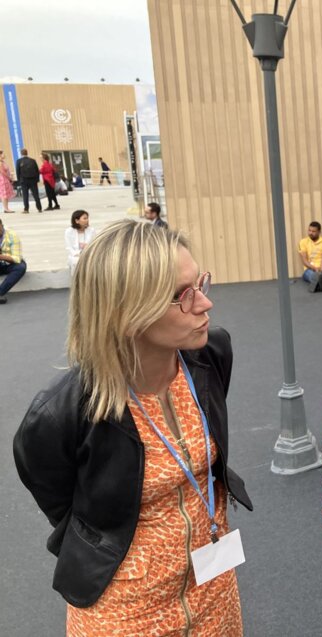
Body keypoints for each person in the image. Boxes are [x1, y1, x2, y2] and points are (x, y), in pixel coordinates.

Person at [14, 219, 253, 635]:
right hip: (125, 607)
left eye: (201, 284)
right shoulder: (62, 413)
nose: (204, 305)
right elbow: (58, 500)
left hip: (213, 586)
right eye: (182, 295)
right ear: (126, 314)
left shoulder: (211, 354)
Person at [299, 220, 322, 292]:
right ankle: (320, 284)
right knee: (310, 275)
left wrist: (320, 269)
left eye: (313, 231)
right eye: (309, 230)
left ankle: (316, 284)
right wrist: (314, 268)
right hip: (309, 268)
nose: (310, 233)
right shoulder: (303, 242)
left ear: (319, 232)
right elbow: (304, 260)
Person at [0, 216, 26, 303]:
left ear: (2, 225)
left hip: (9, 264)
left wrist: (1, 256)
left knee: (21, 267)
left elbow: (17, 258)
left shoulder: (12, 235)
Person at [15, 148, 42, 213]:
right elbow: (37, 171)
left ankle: (26, 209)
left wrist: (19, 180)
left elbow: (17, 171)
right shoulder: (33, 160)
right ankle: (39, 208)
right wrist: (37, 179)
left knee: (25, 195)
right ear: (27, 153)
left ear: (21, 154)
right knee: (36, 194)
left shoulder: (19, 161)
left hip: (24, 180)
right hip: (33, 180)